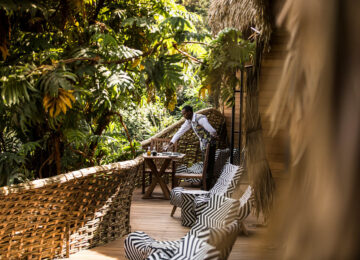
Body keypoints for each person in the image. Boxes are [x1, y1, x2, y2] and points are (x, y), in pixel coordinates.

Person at [166, 105, 218, 190]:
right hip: (204, 146)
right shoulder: (189, 121)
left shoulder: (200, 118)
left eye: (184, 114)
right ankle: (204, 183)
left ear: (189, 112)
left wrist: (214, 135)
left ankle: (207, 187)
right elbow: (181, 131)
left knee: (208, 165)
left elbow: (211, 130)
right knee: (205, 164)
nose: (184, 116)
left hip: (210, 145)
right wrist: (171, 142)